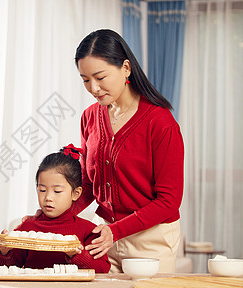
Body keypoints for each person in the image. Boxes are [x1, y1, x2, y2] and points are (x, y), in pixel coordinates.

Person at [72, 29, 184, 273]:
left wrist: (117, 231)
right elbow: (89, 185)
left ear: (125, 68)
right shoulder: (90, 117)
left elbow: (169, 200)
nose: (93, 88)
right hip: (103, 236)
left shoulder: (160, 123)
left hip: (151, 241)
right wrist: (53, 215)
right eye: (85, 79)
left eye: (100, 77)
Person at [0, 145, 111, 273]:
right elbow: (7, 269)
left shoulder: (89, 231)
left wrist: (75, 254)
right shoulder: (27, 228)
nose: (48, 197)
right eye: (42, 190)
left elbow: (102, 269)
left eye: (57, 191)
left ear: (76, 193)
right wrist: (4, 251)